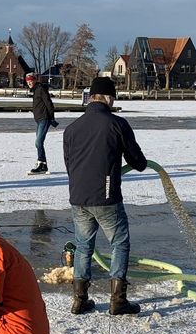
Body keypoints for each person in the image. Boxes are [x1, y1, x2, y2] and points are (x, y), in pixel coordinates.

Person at [62, 77, 147, 316]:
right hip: (106, 197)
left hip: (78, 197)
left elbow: (70, 165)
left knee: (83, 246)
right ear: (108, 97)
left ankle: (80, 300)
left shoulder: (72, 129)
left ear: (91, 97)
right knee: (119, 243)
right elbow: (137, 161)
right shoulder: (117, 124)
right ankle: (118, 300)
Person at [26, 72, 58, 175]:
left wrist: (52, 117)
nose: (29, 82)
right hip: (40, 120)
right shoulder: (35, 90)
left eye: (31, 79)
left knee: (38, 142)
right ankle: (42, 164)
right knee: (39, 143)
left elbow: (48, 102)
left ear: (35, 80)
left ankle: (41, 164)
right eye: (28, 80)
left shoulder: (40, 89)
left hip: (45, 119)